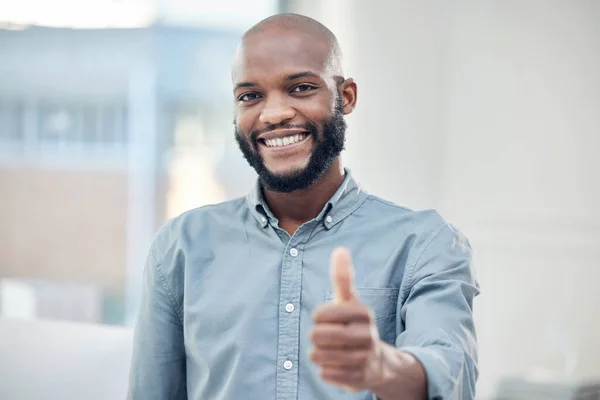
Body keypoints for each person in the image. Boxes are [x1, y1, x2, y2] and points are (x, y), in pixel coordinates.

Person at [127, 13, 479, 400]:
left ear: (345, 97)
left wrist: (381, 366)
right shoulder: (180, 248)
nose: (274, 114)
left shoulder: (425, 244)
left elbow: (451, 376)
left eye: (300, 88)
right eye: (250, 96)